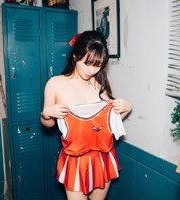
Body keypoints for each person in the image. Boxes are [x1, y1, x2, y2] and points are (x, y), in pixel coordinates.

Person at [41, 30, 132, 200]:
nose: (92, 70)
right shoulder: (55, 84)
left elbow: (110, 123)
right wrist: (47, 114)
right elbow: (48, 125)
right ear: (75, 56)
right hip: (76, 158)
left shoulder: (102, 81)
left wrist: (126, 108)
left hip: (104, 155)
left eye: (98, 65)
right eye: (87, 63)